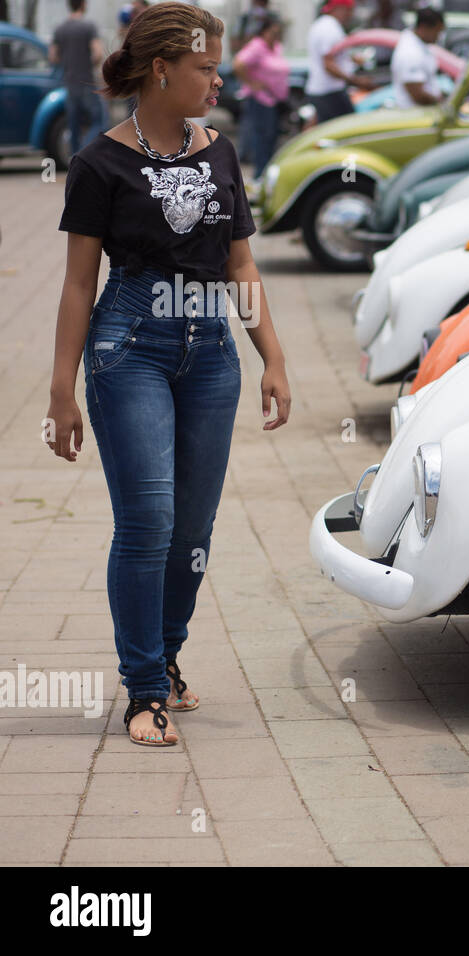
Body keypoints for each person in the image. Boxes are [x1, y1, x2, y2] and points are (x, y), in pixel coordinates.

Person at [48, 1, 291, 747]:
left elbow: (239, 263)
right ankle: (144, 689)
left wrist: (272, 357)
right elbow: (78, 285)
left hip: (210, 352)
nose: (220, 81)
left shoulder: (219, 153)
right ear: (162, 69)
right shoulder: (99, 163)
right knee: (149, 520)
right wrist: (62, 390)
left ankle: (169, 656)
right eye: (206, 68)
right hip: (129, 347)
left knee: (192, 528)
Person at [233, 12, 289, 177]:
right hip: (260, 99)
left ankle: (267, 172)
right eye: (273, 33)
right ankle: (260, 173)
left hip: (275, 99)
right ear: (264, 32)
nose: (276, 36)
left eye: (278, 33)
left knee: (272, 136)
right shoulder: (257, 46)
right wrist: (252, 83)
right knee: (262, 136)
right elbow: (239, 64)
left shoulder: (276, 47)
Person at [51, 0, 107, 156]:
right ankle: (84, 151)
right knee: (98, 121)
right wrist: (88, 63)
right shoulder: (89, 26)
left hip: (69, 83)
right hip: (87, 81)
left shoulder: (60, 29)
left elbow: (53, 56)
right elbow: (98, 54)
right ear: (83, 4)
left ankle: (75, 158)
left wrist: (67, 61)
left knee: (73, 125)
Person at [305, 0, 376, 124]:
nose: (350, 15)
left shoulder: (323, 24)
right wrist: (356, 81)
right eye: (349, 10)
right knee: (347, 129)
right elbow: (328, 64)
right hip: (330, 91)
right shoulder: (329, 28)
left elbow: (334, 56)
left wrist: (352, 59)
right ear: (339, 8)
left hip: (324, 90)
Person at [389, 7, 445, 109]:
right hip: (415, 116)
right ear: (423, 28)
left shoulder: (419, 46)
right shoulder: (410, 52)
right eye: (437, 31)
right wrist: (443, 103)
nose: (439, 36)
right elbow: (418, 95)